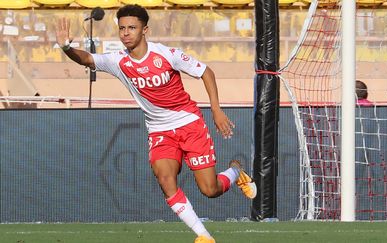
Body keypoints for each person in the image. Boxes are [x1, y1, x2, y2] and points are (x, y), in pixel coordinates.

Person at [55, 4, 256, 243]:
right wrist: (67, 47)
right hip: (160, 131)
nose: (126, 33)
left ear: (145, 30)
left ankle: (235, 171)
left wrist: (216, 110)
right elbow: (87, 59)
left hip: (189, 124)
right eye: (121, 28)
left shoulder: (166, 54)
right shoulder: (118, 61)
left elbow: (206, 72)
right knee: (165, 178)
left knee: (209, 190)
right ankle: (204, 236)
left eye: (132, 27)